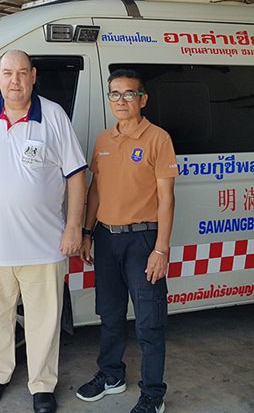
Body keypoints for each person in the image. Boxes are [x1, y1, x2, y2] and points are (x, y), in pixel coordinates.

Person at [0, 49, 87, 413]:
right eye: (7, 73)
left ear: (33, 76)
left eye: (21, 73)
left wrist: (74, 225)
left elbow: (77, 175)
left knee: (44, 320)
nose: (14, 81)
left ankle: (42, 384)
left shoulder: (53, 116)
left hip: (44, 244)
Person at [76, 69, 178, 413]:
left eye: (128, 94)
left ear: (142, 99)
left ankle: (152, 393)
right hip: (106, 239)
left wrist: (161, 248)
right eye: (114, 94)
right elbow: (96, 189)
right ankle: (111, 375)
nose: (120, 101)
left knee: (149, 321)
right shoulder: (104, 139)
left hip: (143, 241)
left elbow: (167, 198)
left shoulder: (157, 138)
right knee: (110, 314)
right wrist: (88, 232)